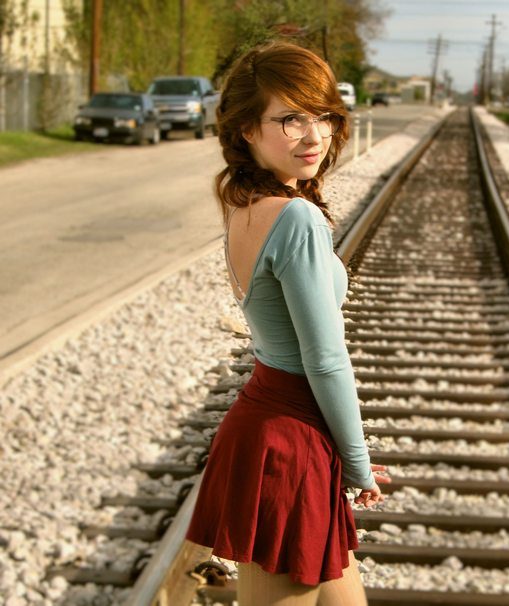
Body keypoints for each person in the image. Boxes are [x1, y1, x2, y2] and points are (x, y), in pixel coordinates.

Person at [185, 40, 391, 605]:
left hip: (282, 429)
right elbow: (324, 359)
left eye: (323, 116)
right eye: (289, 119)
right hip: (290, 443)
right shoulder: (294, 217)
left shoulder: (247, 208)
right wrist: (358, 464)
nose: (314, 135)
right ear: (247, 129)